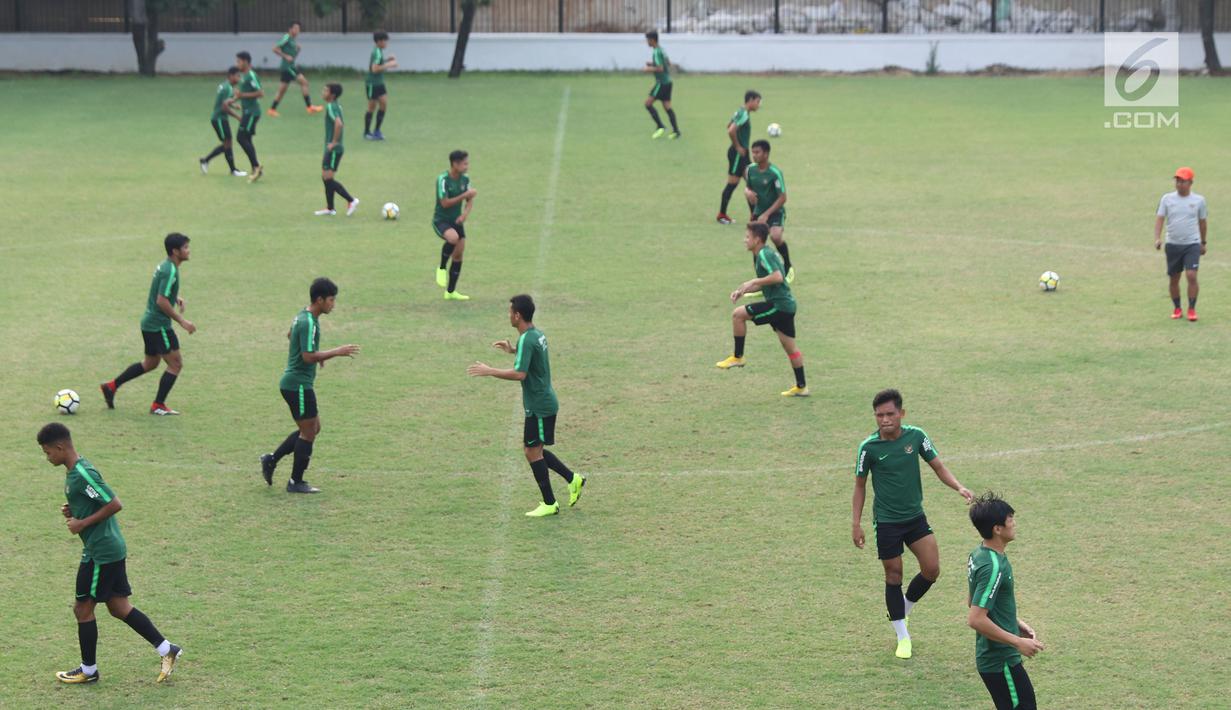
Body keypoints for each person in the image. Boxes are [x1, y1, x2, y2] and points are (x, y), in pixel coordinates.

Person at [37, 422, 183, 685]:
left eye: (48, 452)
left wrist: (81, 523)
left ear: (59, 447)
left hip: (100, 552)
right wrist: (76, 512)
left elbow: (114, 504)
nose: (47, 457)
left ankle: (88, 670)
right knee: (118, 607)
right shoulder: (74, 472)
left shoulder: (83, 473)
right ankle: (166, 649)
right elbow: (94, 502)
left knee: (82, 609)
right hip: (106, 548)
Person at [851, 388, 973, 659]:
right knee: (893, 575)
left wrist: (959, 487)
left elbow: (938, 466)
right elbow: (859, 486)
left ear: (901, 414)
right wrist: (855, 523)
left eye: (890, 414)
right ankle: (902, 636)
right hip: (886, 522)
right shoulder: (868, 448)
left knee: (932, 569)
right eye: (879, 415)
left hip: (915, 518)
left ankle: (902, 610)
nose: (884, 419)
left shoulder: (916, 436)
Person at [467, 295, 585, 517]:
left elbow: (520, 374)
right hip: (542, 402)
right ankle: (573, 479)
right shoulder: (535, 334)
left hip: (539, 405)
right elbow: (532, 356)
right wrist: (513, 351)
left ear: (517, 315)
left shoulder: (528, 339)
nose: (508, 315)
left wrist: (490, 370)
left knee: (531, 451)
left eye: (510, 311)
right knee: (534, 450)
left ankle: (550, 503)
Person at [260, 278, 360, 494]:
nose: (333, 304)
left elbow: (291, 335)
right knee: (308, 432)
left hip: (296, 384)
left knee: (313, 428)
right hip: (298, 386)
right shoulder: (309, 322)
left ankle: (271, 459)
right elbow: (306, 356)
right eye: (331, 300)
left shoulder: (303, 315)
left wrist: (316, 354)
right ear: (320, 299)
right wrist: (334, 352)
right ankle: (296, 482)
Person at [100, 233, 196, 416]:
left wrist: (175, 297)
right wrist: (182, 321)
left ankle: (111, 386)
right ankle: (158, 405)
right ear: (175, 251)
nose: (188, 250)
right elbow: (161, 301)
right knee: (175, 364)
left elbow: (160, 290)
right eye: (185, 248)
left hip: (149, 323)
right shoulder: (171, 271)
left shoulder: (165, 265)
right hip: (159, 326)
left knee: (151, 363)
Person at [967, 492, 1044, 709]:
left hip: (999, 656)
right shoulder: (993, 567)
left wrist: (1015, 623)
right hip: (1000, 660)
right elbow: (975, 618)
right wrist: (1018, 642)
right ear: (997, 529)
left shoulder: (979, 554)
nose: (1014, 523)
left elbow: (975, 601)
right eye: (1010, 519)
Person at [715, 223, 807, 397]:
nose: (745, 240)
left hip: (779, 306)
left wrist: (754, 282)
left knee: (738, 315)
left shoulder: (764, 253)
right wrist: (743, 290)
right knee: (791, 349)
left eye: (747, 237)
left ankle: (738, 356)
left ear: (757, 239)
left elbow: (778, 277)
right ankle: (802, 387)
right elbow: (769, 282)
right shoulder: (763, 254)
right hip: (786, 306)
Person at [1154, 166, 1208, 321]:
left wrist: (1203, 242)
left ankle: (1192, 308)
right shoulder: (1167, 199)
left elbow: (1203, 222)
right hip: (1173, 244)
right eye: (1177, 180)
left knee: (1191, 275)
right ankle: (1177, 308)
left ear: (1190, 182)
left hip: (1192, 243)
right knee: (1174, 278)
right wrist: (1157, 238)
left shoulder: (1199, 201)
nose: (1179, 184)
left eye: (1183, 181)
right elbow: (1160, 219)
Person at [743, 139, 794, 284]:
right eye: (753, 152)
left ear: (766, 154)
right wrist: (747, 192)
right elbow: (748, 187)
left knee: (776, 236)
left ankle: (788, 266)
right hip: (758, 213)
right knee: (754, 242)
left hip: (775, 212)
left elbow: (783, 198)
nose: (754, 155)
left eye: (757, 152)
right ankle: (760, 280)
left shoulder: (774, 173)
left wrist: (767, 214)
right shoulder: (750, 169)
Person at [433, 150, 476, 300]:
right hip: (441, 220)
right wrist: (464, 195)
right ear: (455, 164)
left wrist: (464, 215)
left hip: (456, 221)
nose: (467, 166)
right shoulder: (443, 179)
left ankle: (450, 292)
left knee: (458, 255)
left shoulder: (465, 179)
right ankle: (442, 267)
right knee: (453, 238)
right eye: (465, 163)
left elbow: (470, 200)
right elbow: (445, 203)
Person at [313, 83, 359, 217]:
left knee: (328, 179)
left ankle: (351, 200)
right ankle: (330, 208)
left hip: (334, 149)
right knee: (326, 177)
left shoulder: (331, 106)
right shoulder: (335, 105)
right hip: (332, 149)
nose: (323, 92)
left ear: (332, 95)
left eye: (325, 90)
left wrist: (333, 143)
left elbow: (339, 124)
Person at [717, 90, 761, 225]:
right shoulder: (743, 114)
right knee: (732, 184)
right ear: (751, 100)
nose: (759, 105)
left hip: (742, 153)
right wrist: (738, 146)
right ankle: (722, 215)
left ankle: (754, 218)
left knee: (752, 183)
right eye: (758, 102)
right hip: (738, 154)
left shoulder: (741, 112)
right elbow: (731, 130)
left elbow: (729, 125)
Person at [267, 21, 323, 117]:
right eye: (295, 28)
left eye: (299, 29)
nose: (297, 30)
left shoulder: (293, 41)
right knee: (304, 82)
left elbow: (292, 57)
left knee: (282, 91)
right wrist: (285, 56)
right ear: (290, 29)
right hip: (288, 67)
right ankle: (310, 107)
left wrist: (297, 51)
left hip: (288, 67)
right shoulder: (287, 37)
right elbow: (275, 48)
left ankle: (272, 110)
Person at [199, 66, 246, 177]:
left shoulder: (224, 85)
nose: (239, 78)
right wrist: (237, 117)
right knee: (227, 142)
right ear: (231, 76)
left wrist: (234, 105)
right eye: (238, 76)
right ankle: (231, 169)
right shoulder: (228, 88)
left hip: (220, 118)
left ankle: (208, 161)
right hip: (219, 119)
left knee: (227, 142)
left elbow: (222, 101)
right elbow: (224, 107)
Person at [642, 31, 679, 140]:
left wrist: (649, 68)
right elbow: (667, 63)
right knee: (667, 107)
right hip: (668, 82)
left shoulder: (656, 52)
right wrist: (652, 64)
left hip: (662, 83)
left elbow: (661, 68)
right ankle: (676, 131)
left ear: (652, 40)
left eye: (648, 40)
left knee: (648, 104)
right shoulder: (661, 49)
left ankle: (660, 126)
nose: (647, 42)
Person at [234, 51, 264, 182]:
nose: (237, 64)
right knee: (247, 139)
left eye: (239, 61)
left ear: (246, 61)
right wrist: (234, 100)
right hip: (247, 111)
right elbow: (243, 93)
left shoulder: (251, 76)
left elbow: (260, 93)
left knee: (241, 137)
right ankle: (255, 168)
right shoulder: (243, 76)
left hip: (252, 113)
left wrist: (242, 96)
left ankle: (256, 166)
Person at [363, 32, 397, 140]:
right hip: (372, 83)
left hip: (379, 83)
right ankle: (367, 132)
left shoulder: (379, 51)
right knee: (371, 107)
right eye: (385, 41)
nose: (386, 43)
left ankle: (377, 131)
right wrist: (389, 65)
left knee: (383, 105)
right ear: (379, 41)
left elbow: (378, 63)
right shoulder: (376, 52)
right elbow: (375, 69)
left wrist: (387, 60)